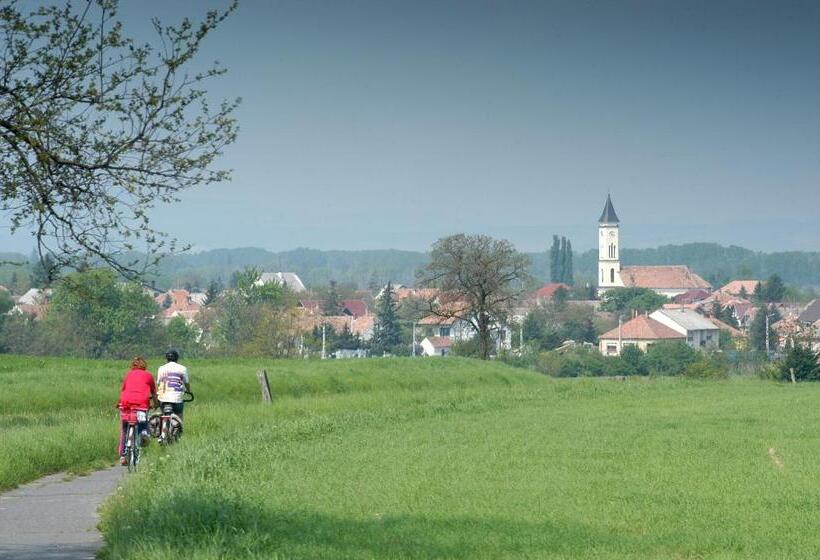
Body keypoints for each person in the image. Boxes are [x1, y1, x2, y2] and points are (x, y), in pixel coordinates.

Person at [117, 357, 157, 465]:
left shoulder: (128, 375)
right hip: (141, 405)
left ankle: (122, 456)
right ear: (144, 366)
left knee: (125, 428)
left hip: (126, 404)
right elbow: (154, 393)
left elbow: (123, 390)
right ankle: (143, 433)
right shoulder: (148, 375)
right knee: (142, 423)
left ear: (132, 365)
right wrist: (156, 404)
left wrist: (119, 403)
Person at [156, 349, 190, 420]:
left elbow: (158, 383)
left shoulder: (161, 368)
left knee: (162, 414)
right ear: (177, 358)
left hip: (163, 398)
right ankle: (179, 427)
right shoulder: (183, 368)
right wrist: (189, 391)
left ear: (167, 358)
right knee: (179, 416)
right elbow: (186, 383)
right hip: (177, 398)